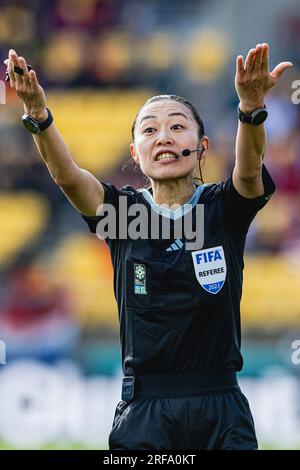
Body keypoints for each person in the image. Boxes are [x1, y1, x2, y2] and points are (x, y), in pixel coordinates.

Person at [5, 44, 292, 450]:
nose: (165, 137)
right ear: (135, 154)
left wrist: (249, 110)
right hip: (145, 414)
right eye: (150, 130)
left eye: (178, 127)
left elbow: (248, 172)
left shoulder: (222, 209)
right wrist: (37, 116)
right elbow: (67, 177)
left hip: (221, 411)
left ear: (202, 147)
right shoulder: (121, 214)